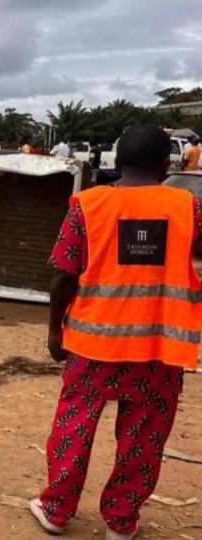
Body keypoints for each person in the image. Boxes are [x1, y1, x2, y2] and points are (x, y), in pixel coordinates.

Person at [31, 126, 200, 540]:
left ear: (117, 162)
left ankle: (56, 510)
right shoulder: (188, 207)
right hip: (160, 348)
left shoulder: (87, 205)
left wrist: (56, 330)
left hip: (93, 345)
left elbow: (62, 275)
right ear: (169, 165)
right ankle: (121, 522)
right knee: (144, 436)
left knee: (75, 425)